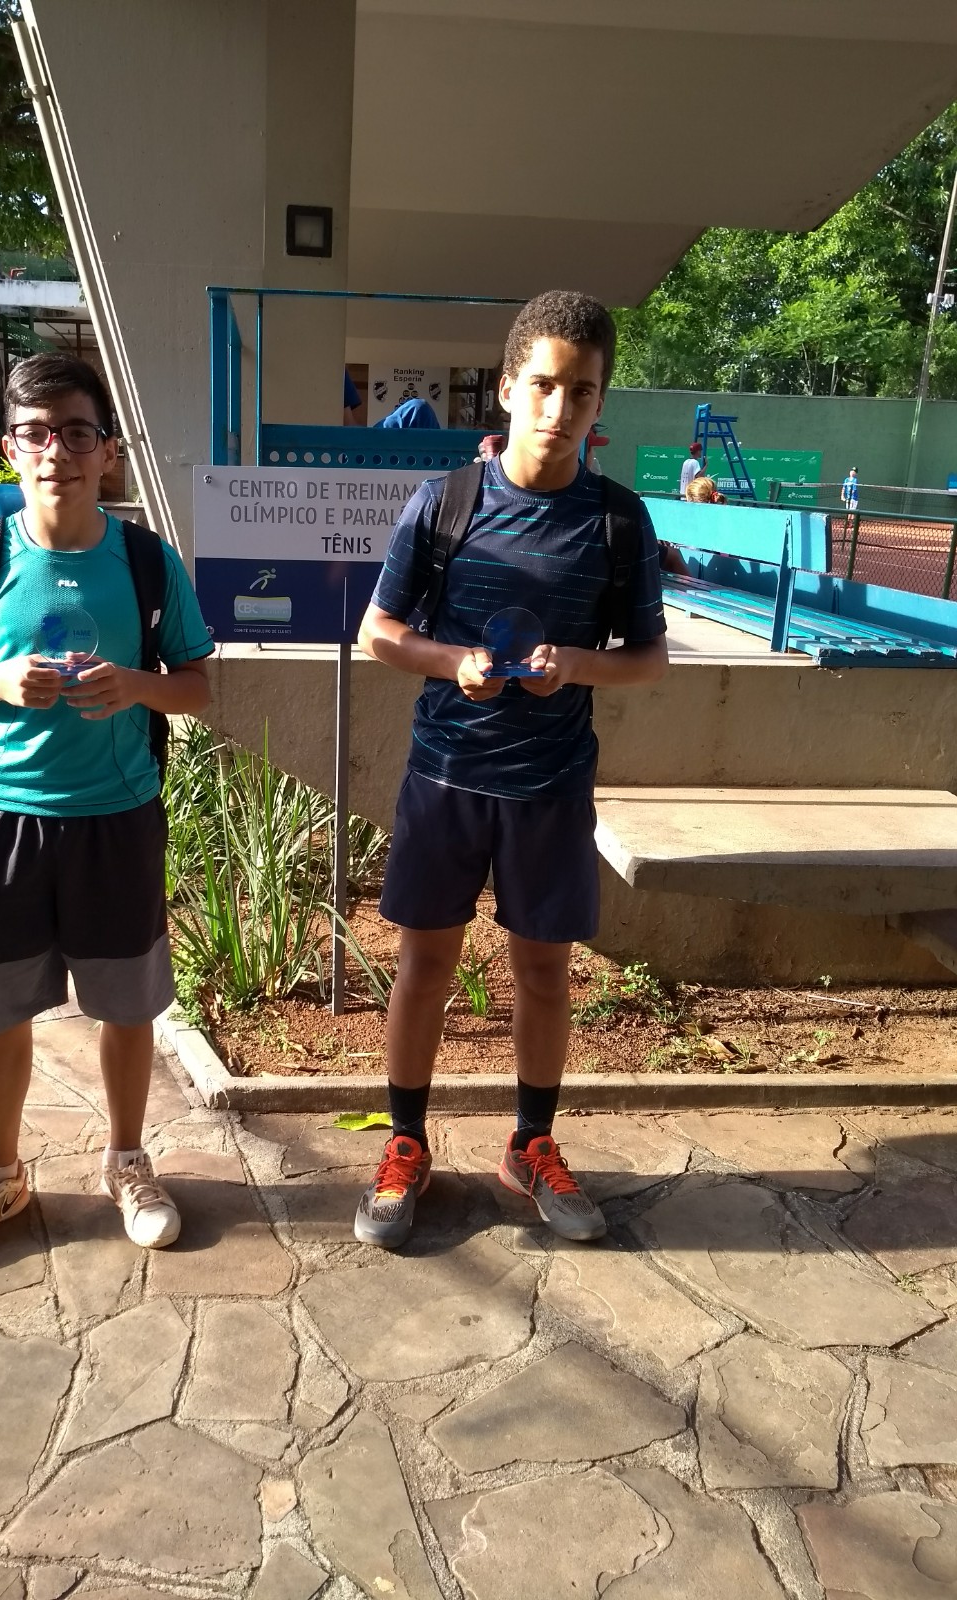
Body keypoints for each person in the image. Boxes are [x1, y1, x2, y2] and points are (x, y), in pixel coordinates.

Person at [353, 289, 668, 1250]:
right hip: (446, 778)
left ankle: (531, 1144)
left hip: (551, 786)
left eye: (582, 391)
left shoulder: (617, 521)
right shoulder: (445, 502)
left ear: (600, 400)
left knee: (544, 973)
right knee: (425, 967)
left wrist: (574, 665)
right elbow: (378, 633)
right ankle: (405, 1143)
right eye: (543, 385)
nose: (559, 408)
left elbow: (647, 659)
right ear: (506, 388)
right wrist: (453, 661)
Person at [0, 353, 214, 1271]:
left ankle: (127, 1162)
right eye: (37, 434)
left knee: (127, 1006)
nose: (58, 452)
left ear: (108, 451)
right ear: (11, 449)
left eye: (78, 433)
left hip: (117, 817)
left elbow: (197, 685)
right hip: (3, 817)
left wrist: (135, 685)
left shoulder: (146, 563)